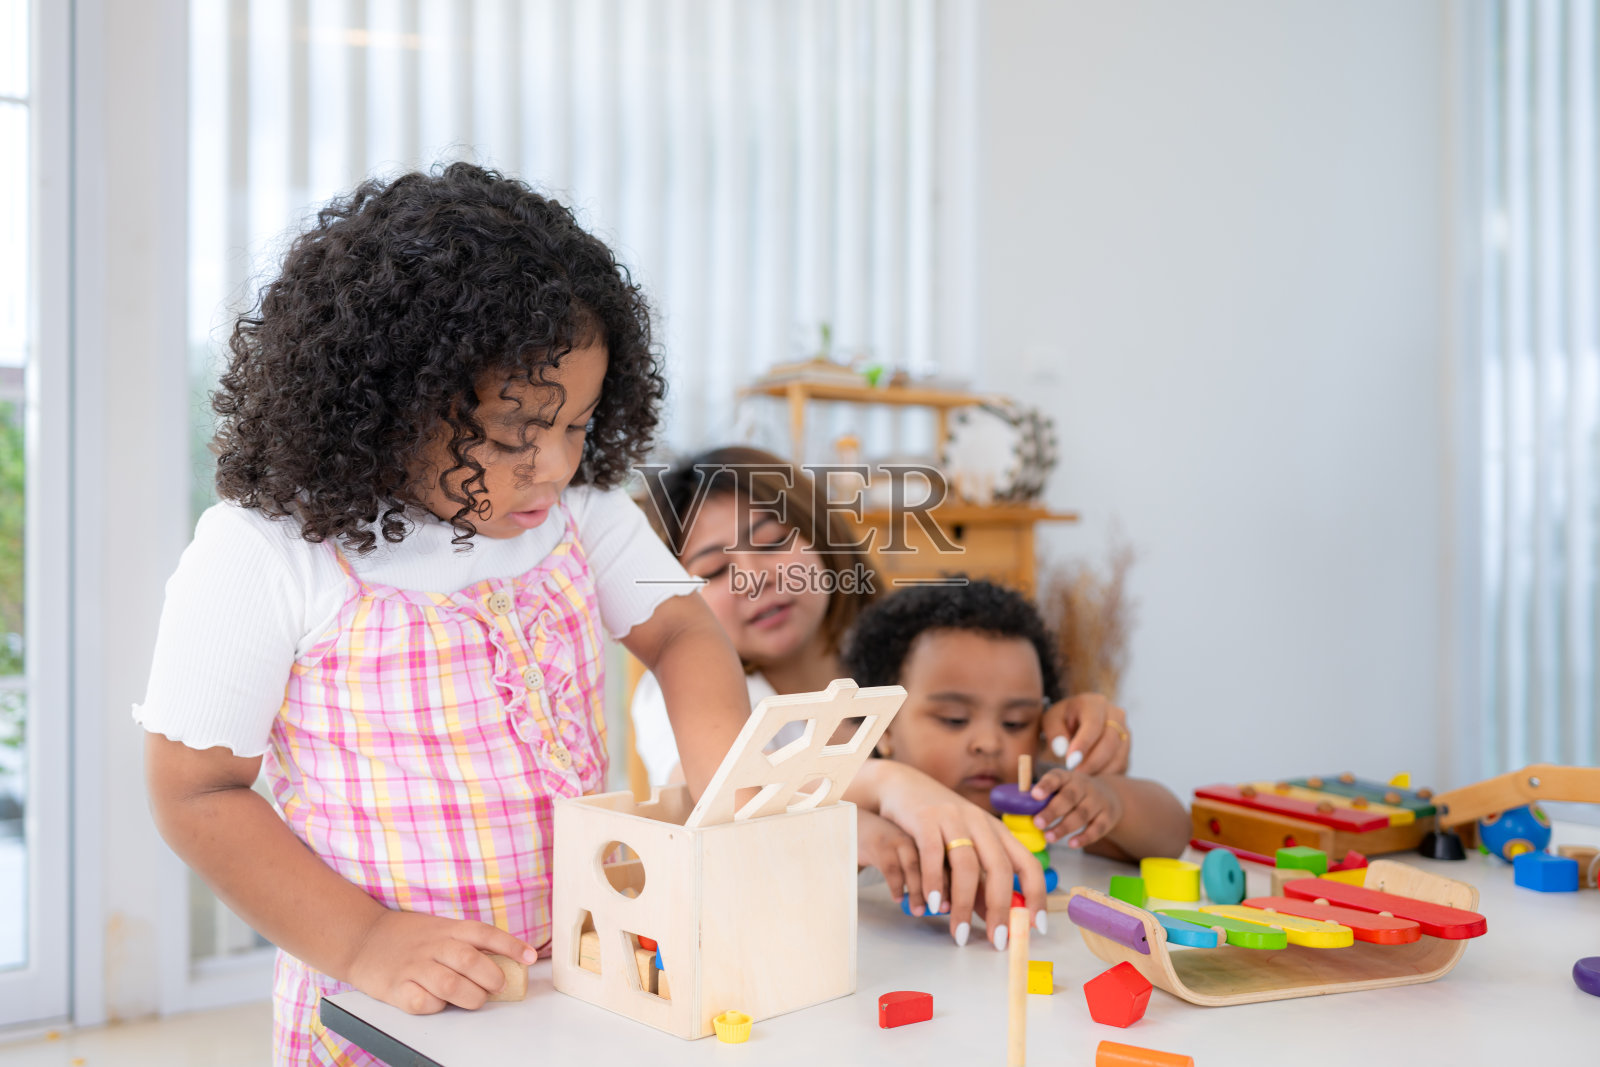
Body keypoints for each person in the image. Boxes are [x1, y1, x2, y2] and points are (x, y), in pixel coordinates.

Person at [631, 447, 1130, 947]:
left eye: (773, 542)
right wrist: (881, 788)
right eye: (713, 571)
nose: (753, 578)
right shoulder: (670, 695)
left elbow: (1001, 728)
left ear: (821, 536)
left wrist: (1055, 723)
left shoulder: (905, 653)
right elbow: (711, 789)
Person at [842, 579, 1190, 861]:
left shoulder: (1042, 807)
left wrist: (1108, 799)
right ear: (884, 728)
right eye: (954, 719)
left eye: (1015, 722)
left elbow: (1173, 833)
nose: (990, 743)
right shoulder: (864, 816)